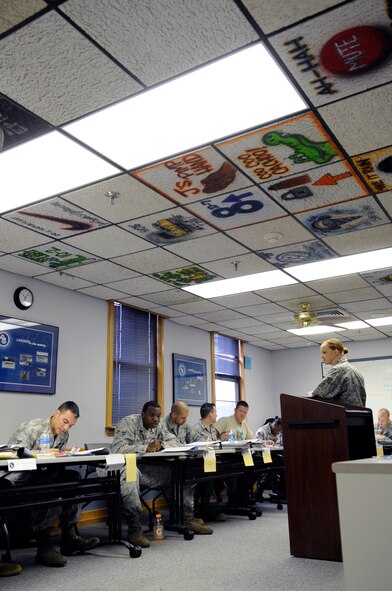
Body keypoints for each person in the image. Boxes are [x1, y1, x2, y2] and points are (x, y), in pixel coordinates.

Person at [6, 401, 100, 568]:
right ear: (56, 413)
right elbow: (13, 455)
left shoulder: (63, 435)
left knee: (73, 477)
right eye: (65, 422)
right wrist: (40, 454)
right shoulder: (32, 428)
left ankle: (69, 537)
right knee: (45, 484)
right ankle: (44, 546)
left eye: (71, 426)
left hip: (43, 473)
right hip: (18, 479)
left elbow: (54, 462)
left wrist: (66, 455)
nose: (66, 428)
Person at [111, 401, 213, 547]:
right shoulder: (128, 423)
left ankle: (186, 517)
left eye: (158, 416)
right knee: (131, 472)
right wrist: (145, 447)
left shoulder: (158, 426)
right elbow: (117, 449)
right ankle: (134, 529)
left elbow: (174, 442)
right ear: (143, 414)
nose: (156, 419)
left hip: (147, 469)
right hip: (125, 466)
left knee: (183, 470)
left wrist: (162, 445)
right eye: (152, 415)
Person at [308, 339, 366, 407]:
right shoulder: (354, 370)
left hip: (345, 415)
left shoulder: (339, 370)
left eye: (324, 352)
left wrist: (310, 393)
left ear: (335, 352)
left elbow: (320, 393)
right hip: (356, 415)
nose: (321, 356)